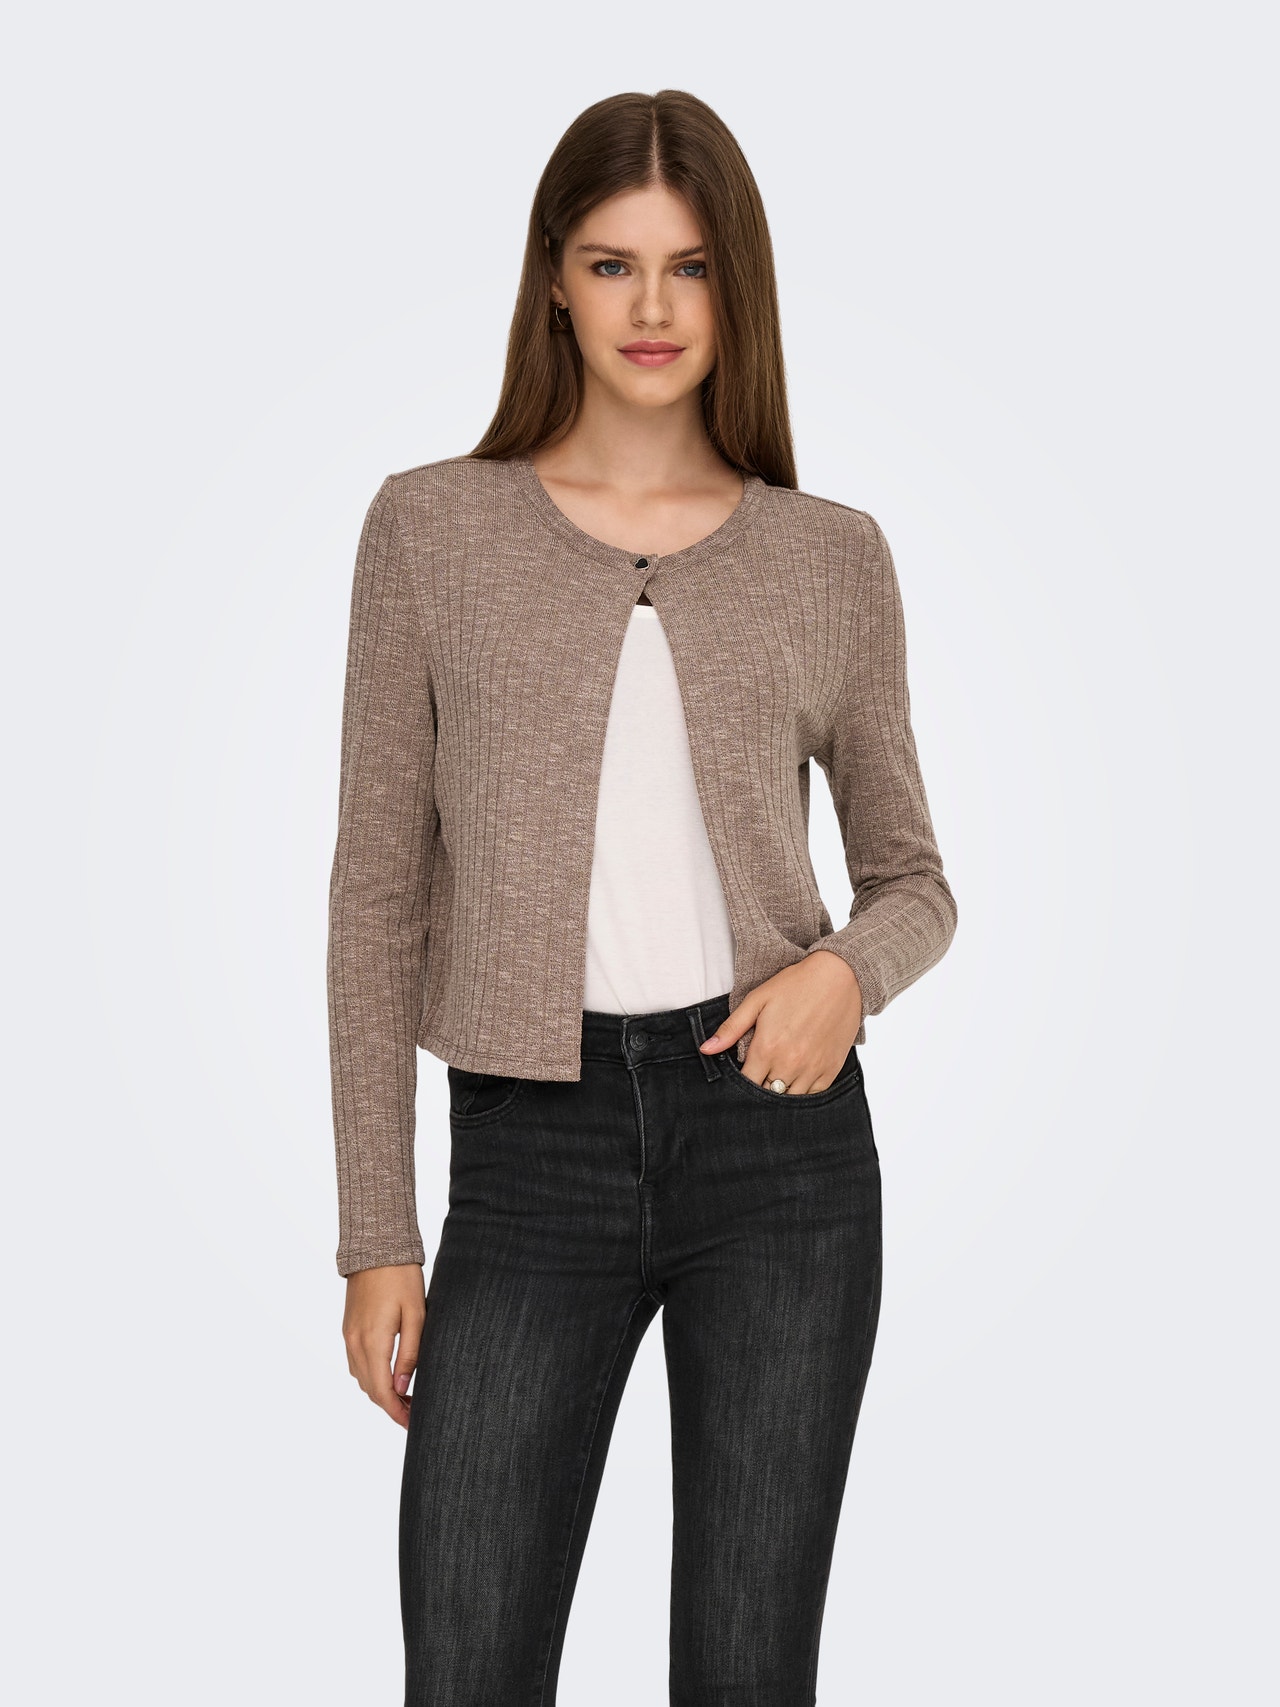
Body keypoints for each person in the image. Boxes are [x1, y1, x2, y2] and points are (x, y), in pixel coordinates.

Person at [327, 87, 957, 1707]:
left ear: (737, 288)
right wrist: (378, 1235)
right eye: (613, 264)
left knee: (747, 1670)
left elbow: (912, 879)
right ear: (555, 280)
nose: (653, 307)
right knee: (469, 1662)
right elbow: (375, 901)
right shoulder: (430, 532)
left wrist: (844, 977)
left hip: (780, 1154)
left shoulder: (830, 555)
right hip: (527, 1158)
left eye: (689, 267)